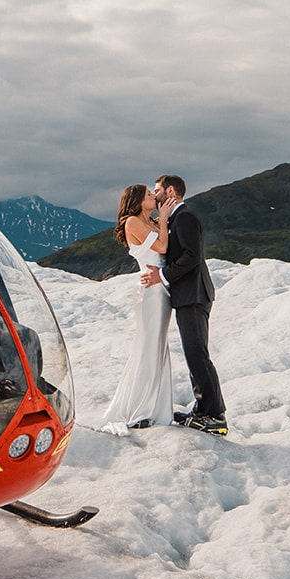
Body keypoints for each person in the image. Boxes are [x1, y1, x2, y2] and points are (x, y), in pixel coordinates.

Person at [141, 174, 227, 435]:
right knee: (193, 353)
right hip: (188, 295)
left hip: (194, 294)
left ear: (170, 191)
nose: (154, 195)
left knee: (197, 353)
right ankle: (202, 410)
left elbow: (192, 256)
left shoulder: (186, 217)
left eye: (156, 190)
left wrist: (162, 276)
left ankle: (215, 416)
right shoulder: (176, 217)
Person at [96, 183, 175, 434]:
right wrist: (163, 219)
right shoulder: (132, 221)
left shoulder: (149, 221)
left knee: (158, 346)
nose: (154, 197)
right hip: (150, 292)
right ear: (139, 200)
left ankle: (155, 407)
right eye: (150, 195)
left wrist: (160, 220)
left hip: (160, 289)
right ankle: (141, 409)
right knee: (148, 346)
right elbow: (162, 248)